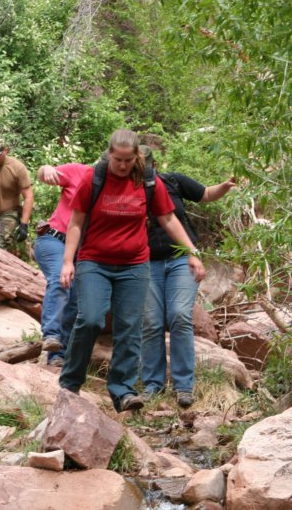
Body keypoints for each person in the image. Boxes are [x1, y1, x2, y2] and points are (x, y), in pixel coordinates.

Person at [58, 129, 206, 412]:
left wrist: (192, 252)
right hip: (94, 262)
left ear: (136, 156)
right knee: (90, 319)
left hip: (135, 265)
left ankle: (123, 391)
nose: (123, 166)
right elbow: (76, 222)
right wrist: (68, 261)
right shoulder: (94, 178)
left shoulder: (148, 180)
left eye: (128, 160)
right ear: (109, 155)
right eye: (118, 160)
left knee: (129, 328)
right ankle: (71, 382)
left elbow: (168, 218)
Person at [141, 146, 236, 407]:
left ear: (155, 164)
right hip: (146, 263)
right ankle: (153, 385)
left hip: (181, 259)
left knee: (180, 316)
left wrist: (225, 186)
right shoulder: (126, 192)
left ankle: (184, 386)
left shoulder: (172, 181)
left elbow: (205, 194)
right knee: (150, 321)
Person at [33, 162, 90, 367]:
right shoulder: (80, 172)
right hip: (53, 239)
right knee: (60, 278)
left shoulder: (115, 190)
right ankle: (51, 335)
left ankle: (58, 355)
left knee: (74, 299)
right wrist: (45, 169)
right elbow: (42, 174)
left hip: (81, 250)